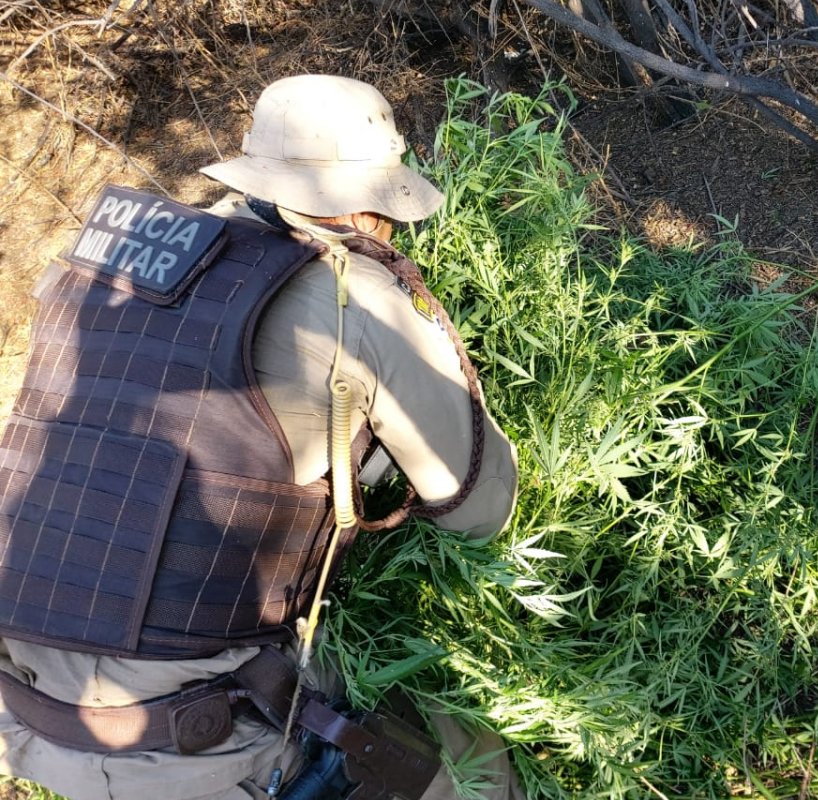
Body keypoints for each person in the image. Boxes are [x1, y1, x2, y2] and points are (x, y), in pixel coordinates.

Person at [0, 74, 522, 800]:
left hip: (28, 708)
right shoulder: (355, 297)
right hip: (197, 741)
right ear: (371, 206)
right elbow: (479, 510)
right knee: (480, 766)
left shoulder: (127, 269)